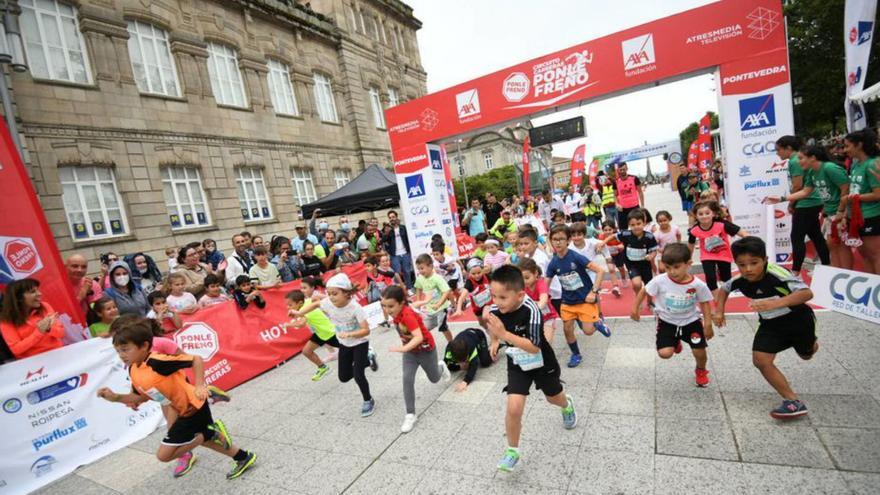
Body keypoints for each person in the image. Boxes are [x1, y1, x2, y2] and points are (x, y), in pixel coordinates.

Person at [96, 319, 257, 480]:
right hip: (179, 409)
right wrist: (115, 397)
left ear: (144, 346)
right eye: (118, 351)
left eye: (125, 350)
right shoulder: (133, 369)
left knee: (164, 455)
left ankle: (210, 431)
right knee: (201, 440)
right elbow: (139, 397)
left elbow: (196, 359)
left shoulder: (156, 361)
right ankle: (242, 456)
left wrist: (200, 386)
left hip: (193, 406)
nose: (121, 355)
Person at [485, 265, 577, 472]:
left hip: (541, 361)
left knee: (554, 398)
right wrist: (494, 340)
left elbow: (534, 347)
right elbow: (494, 328)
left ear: (520, 295)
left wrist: (504, 335)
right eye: (494, 296)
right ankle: (512, 451)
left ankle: (567, 404)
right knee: (514, 407)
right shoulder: (494, 310)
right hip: (517, 362)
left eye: (502, 297)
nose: (496, 303)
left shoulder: (532, 310)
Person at [714, 237, 817, 419]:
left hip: (799, 322)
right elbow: (724, 289)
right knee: (760, 360)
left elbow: (806, 293)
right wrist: (720, 311)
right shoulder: (740, 280)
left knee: (806, 354)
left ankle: (812, 345)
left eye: (754, 263)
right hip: (770, 325)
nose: (748, 269)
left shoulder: (777, 274)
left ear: (765, 260)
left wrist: (775, 304)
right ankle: (792, 401)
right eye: (742, 264)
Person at [290, 273, 377, 417]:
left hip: (359, 342)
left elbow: (366, 330)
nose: (331, 297)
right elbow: (316, 303)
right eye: (329, 293)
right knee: (344, 377)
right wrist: (299, 313)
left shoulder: (355, 308)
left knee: (358, 375)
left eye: (335, 293)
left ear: (347, 293)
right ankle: (369, 358)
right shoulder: (329, 303)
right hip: (344, 344)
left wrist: (350, 334)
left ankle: (368, 400)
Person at [631, 243, 713, 387]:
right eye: (668, 268)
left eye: (676, 267)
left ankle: (701, 370)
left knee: (699, 351)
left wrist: (708, 324)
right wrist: (634, 308)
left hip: (691, 322)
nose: (672, 272)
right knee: (664, 354)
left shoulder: (698, 285)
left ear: (688, 264)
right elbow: (644, 291)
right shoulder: (660, 280)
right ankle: (675, 342)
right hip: (667, 321)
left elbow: (705, 303)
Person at [764, 145, 851, 270]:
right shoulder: (812, 172)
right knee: (832, 245)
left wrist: (841, 212)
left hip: (839, 214)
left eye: (801, 158)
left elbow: (846, 188)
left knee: (838, 246)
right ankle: (834, 271)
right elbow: (805, 191)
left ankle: (842, 272)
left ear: (813, 158)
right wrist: (781, 199)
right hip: (830, 213)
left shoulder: (829, 168)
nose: (798, 162)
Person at [381, 285, 449, 433]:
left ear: (401, 303)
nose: (387, 310)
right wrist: (425, 301)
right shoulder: (400, 310)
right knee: (407, 379)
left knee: (435, 378)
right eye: (384, 306)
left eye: (390, 306)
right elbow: (413, 304)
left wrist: (403, 348)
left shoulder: (407, 316)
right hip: (410, 353)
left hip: (425, 350)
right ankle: (410, 414)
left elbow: (418, 337)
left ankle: (441, 367)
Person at [547, 224, 609, 368]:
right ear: (551, 241)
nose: (558, 242)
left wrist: (593, 292)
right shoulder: (553, 262)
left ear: (568, 240)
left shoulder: (576, 257)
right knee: (567, 329)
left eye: (561, 239)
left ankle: (597, 322)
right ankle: (576, 354)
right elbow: (546, 283)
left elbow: (600, 271)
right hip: (567, 302)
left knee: (588, 332)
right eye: (555, 239)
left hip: (585, 300)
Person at [775, 135, 831, 277]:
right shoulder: (795, 161)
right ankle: (826, 266)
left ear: (788, 148)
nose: (777, 153)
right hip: (812, 201)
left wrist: (791, 203)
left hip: (806, 203)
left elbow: (798, 185)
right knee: (816, 236)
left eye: (778, 150)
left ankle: (795, 272)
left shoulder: (794, 161)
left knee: (796, 237)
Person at [598, 209, 658, 304]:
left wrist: (651, 256)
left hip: (645, 265)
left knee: (648, 286)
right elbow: (613, 236)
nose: (636, 227)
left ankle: (650, 301)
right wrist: (603, 242)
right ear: (629, 225)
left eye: (638, 224)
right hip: (632, 265)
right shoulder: (626, 234)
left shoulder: (649, 237)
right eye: (632, 225)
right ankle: (638, 298)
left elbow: (654, 250)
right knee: (637, 283)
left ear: (644, 223)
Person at [688, 201, 747, 294]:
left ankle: (726, 286)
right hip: (707, 255)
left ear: (713, 214)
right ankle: (716, 298)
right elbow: (691, 244)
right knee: (710, 278)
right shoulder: (694, 230)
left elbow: (742, 232)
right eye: (700, 214)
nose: (704, 216)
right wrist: (688, 258)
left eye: (707, 213)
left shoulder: (722, 224)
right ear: (696, 216)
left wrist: (749, 241)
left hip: (723, 254)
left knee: (726, 278)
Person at [843, 128, 880, 274]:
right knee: (864, 255)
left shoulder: (873, 164)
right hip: (856, 217)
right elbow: (855, 189)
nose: (845, 150)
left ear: (859, 145)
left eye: (848, 146)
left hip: (871, 215)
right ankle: (872, 289)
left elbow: (878, 193)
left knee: (875, 254)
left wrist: (853, 198)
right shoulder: (855, 165)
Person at [1, 279, 64, 359]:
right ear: (18, 298)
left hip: (57, 353)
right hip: (32, 362)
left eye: (38, 290)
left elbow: (61, 333)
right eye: (33, 292)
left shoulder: (45, 306)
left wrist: (49, 329)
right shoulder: (6, 319)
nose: (39, 294)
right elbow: (16, 349)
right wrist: (39, 332)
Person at [285, 289, 339, 381]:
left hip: (329, 333)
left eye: (290, 305)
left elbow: (301, 324)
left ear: (300, 303)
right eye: (287, 305)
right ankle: (322, 367)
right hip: (320, 334)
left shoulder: (303, 309)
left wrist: (287, 325)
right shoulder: (306, 302)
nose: (288, 307)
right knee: (306, 351)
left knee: (350, 346)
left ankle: (367, 351)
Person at [413, 254, 453, 343]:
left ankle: (452, 344)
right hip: (430, 309)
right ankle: (425, 344)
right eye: (418, 269)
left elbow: (446, 291)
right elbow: (418, 289)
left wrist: (439, 304)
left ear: (430, 266)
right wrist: (419, 302)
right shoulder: (420, 278)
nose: (420, 271)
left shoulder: (437, 278)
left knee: (443, 327)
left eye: (422, 268)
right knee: (425, 328)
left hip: (442, 308)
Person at [519, 258, 557, 342]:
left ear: (535, 273)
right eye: (521, 278)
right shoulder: (522, 287)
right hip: (532, 319)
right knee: (534, 343)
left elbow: (543, 299)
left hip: (548, 317)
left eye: (527, 277)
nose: (524, 281)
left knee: (546, 343)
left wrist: (535, 308)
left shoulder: (541, 284)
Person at [443, 327, 493, 392]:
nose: (464, 363)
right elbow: (446, 366)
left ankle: (494, 348)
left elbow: (474, 366)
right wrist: (459, 367)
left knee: (485, 362)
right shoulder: (449, 351)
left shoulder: (470, 347)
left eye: (465, 360)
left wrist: (465, 381)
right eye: (461, 361)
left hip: (478, 335)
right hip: (465, 335)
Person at [454, 258, 492, 327]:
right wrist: (458, 309)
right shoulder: (469, 283)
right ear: (469, 273)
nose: (477, 275)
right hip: (477, 307)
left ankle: (495, 332)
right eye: (473, 274)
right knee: (482, 323)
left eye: (479, 273)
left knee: (485, 316)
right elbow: (462, 297)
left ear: (483, 270)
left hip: (489, 303)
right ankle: (490, 332)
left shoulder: (487, 276)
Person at [613, 162, 644, 228]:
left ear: (627, 168)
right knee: (623, 229)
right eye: (620, 170)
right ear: (618, 170)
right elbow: (615, 195)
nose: (622, 171)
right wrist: (617, 204)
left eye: (624, 169)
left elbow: (640, 192)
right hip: (622, 209)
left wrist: (642, 206)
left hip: (635, 207)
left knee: (637, 227)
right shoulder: (616, 181)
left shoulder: (634, 178)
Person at [599, 220, 628, 290]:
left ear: (614, 229)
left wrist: (620, 246)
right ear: (602, 230)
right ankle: (615, 286)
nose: (608, 232)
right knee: (611, 270)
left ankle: (623, 278)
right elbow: (599, 246)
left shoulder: (617, 236)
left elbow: (623, 245)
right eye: (605, 230)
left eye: (610, 230)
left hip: (618, 255)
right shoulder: (601, 237)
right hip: (609, 256)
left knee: (621, 268)